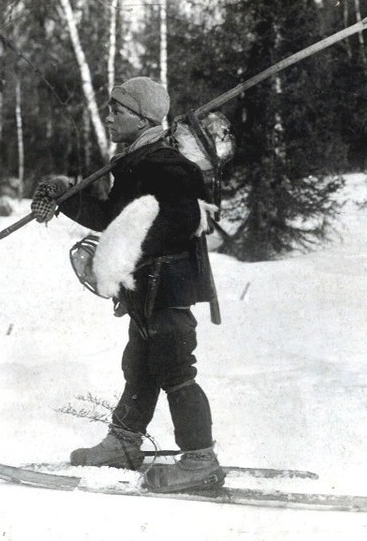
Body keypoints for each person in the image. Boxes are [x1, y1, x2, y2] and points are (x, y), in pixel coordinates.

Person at [30, 77, 223, 493]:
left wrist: (123, 250)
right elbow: (111, 219)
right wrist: (64, 194)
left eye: (117, 110)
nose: (110, 116)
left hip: (165, 286)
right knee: (139, 366)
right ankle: (124, 443)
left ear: (141, 117)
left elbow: (185, 221)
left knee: (175, 368)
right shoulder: (136, 161)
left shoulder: (168, 165)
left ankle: (201, 459)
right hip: (143, 287)